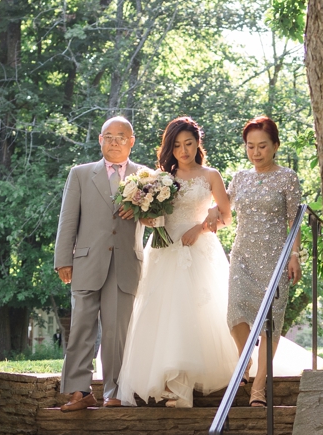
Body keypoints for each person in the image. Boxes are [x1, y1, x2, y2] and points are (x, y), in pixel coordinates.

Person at [117, 117, 240, 407]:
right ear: (170, 148)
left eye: (188, 143)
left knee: (194, 312)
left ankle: (184, 386)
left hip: (198, 248)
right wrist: (148, 217)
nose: (183, 150)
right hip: (163, 250)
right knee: (165, 313)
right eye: (176, 145)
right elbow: (149, 217)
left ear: (198, 143)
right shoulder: (160, 178)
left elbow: (225, 216)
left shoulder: (211, 175)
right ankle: (169, 383)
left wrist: (201, 227)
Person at [53, 116, 148, 411]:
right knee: (81, 326)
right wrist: (62, 259)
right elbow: (68, 218)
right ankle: (78, 391)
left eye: (122, 136)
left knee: (116, 332)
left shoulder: (146, 176)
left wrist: (143, 212)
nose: (115, 141)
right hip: (85, 262)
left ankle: (115, 390)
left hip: (124, 264)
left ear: (131, 141)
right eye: (109, 136)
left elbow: (158, 221)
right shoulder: (80, 174)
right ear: (100, 139)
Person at [208, 116, 302, 407]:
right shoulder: (240, 177)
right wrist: (211, 212)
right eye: (250, 147)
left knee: (270, 323)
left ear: (275, 146)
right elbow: (226, 207)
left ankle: (259, 386)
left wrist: (295, 255)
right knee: (235, 314)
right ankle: (244, 357)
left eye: (262, 146)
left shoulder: (287, 177)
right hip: (243, 257)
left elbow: (294, 220)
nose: (256, 152)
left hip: (276, 259)